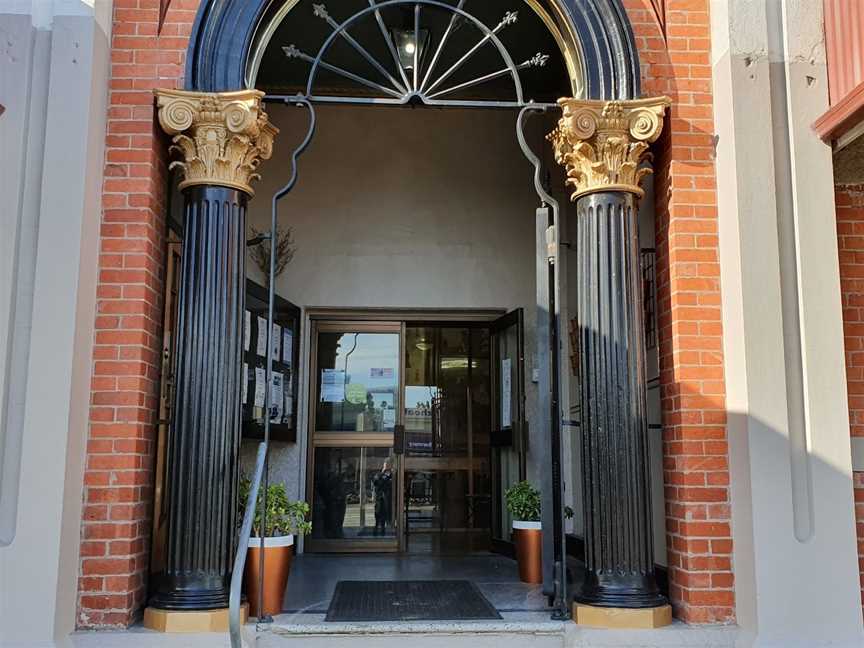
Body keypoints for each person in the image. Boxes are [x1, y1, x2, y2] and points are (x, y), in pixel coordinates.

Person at [372, 458, 393, 535]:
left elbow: (391, 484)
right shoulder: (379, 474)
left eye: (388, 464)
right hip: (380, 497)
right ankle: (377, 526)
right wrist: (382, 473)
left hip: (389, 498)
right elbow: (375, 482)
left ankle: (383, 527)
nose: (387, 466)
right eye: (385, 464)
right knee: (378, 512)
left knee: (385, 514)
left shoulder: (392, 475)